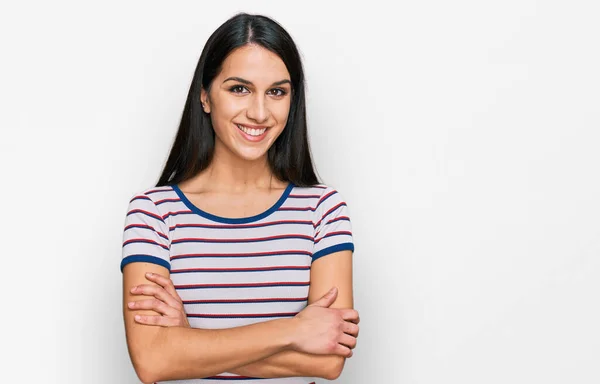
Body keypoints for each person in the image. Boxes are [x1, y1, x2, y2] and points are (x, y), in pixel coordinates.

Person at [120, 12, 359, 384]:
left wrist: (188, 342)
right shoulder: (154, 213)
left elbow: (328, 363)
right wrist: (294, 331)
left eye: (277, 92)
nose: (259, 112)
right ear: (205, 96)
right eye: (239, 89)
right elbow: (152, 361)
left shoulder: (322, 209)